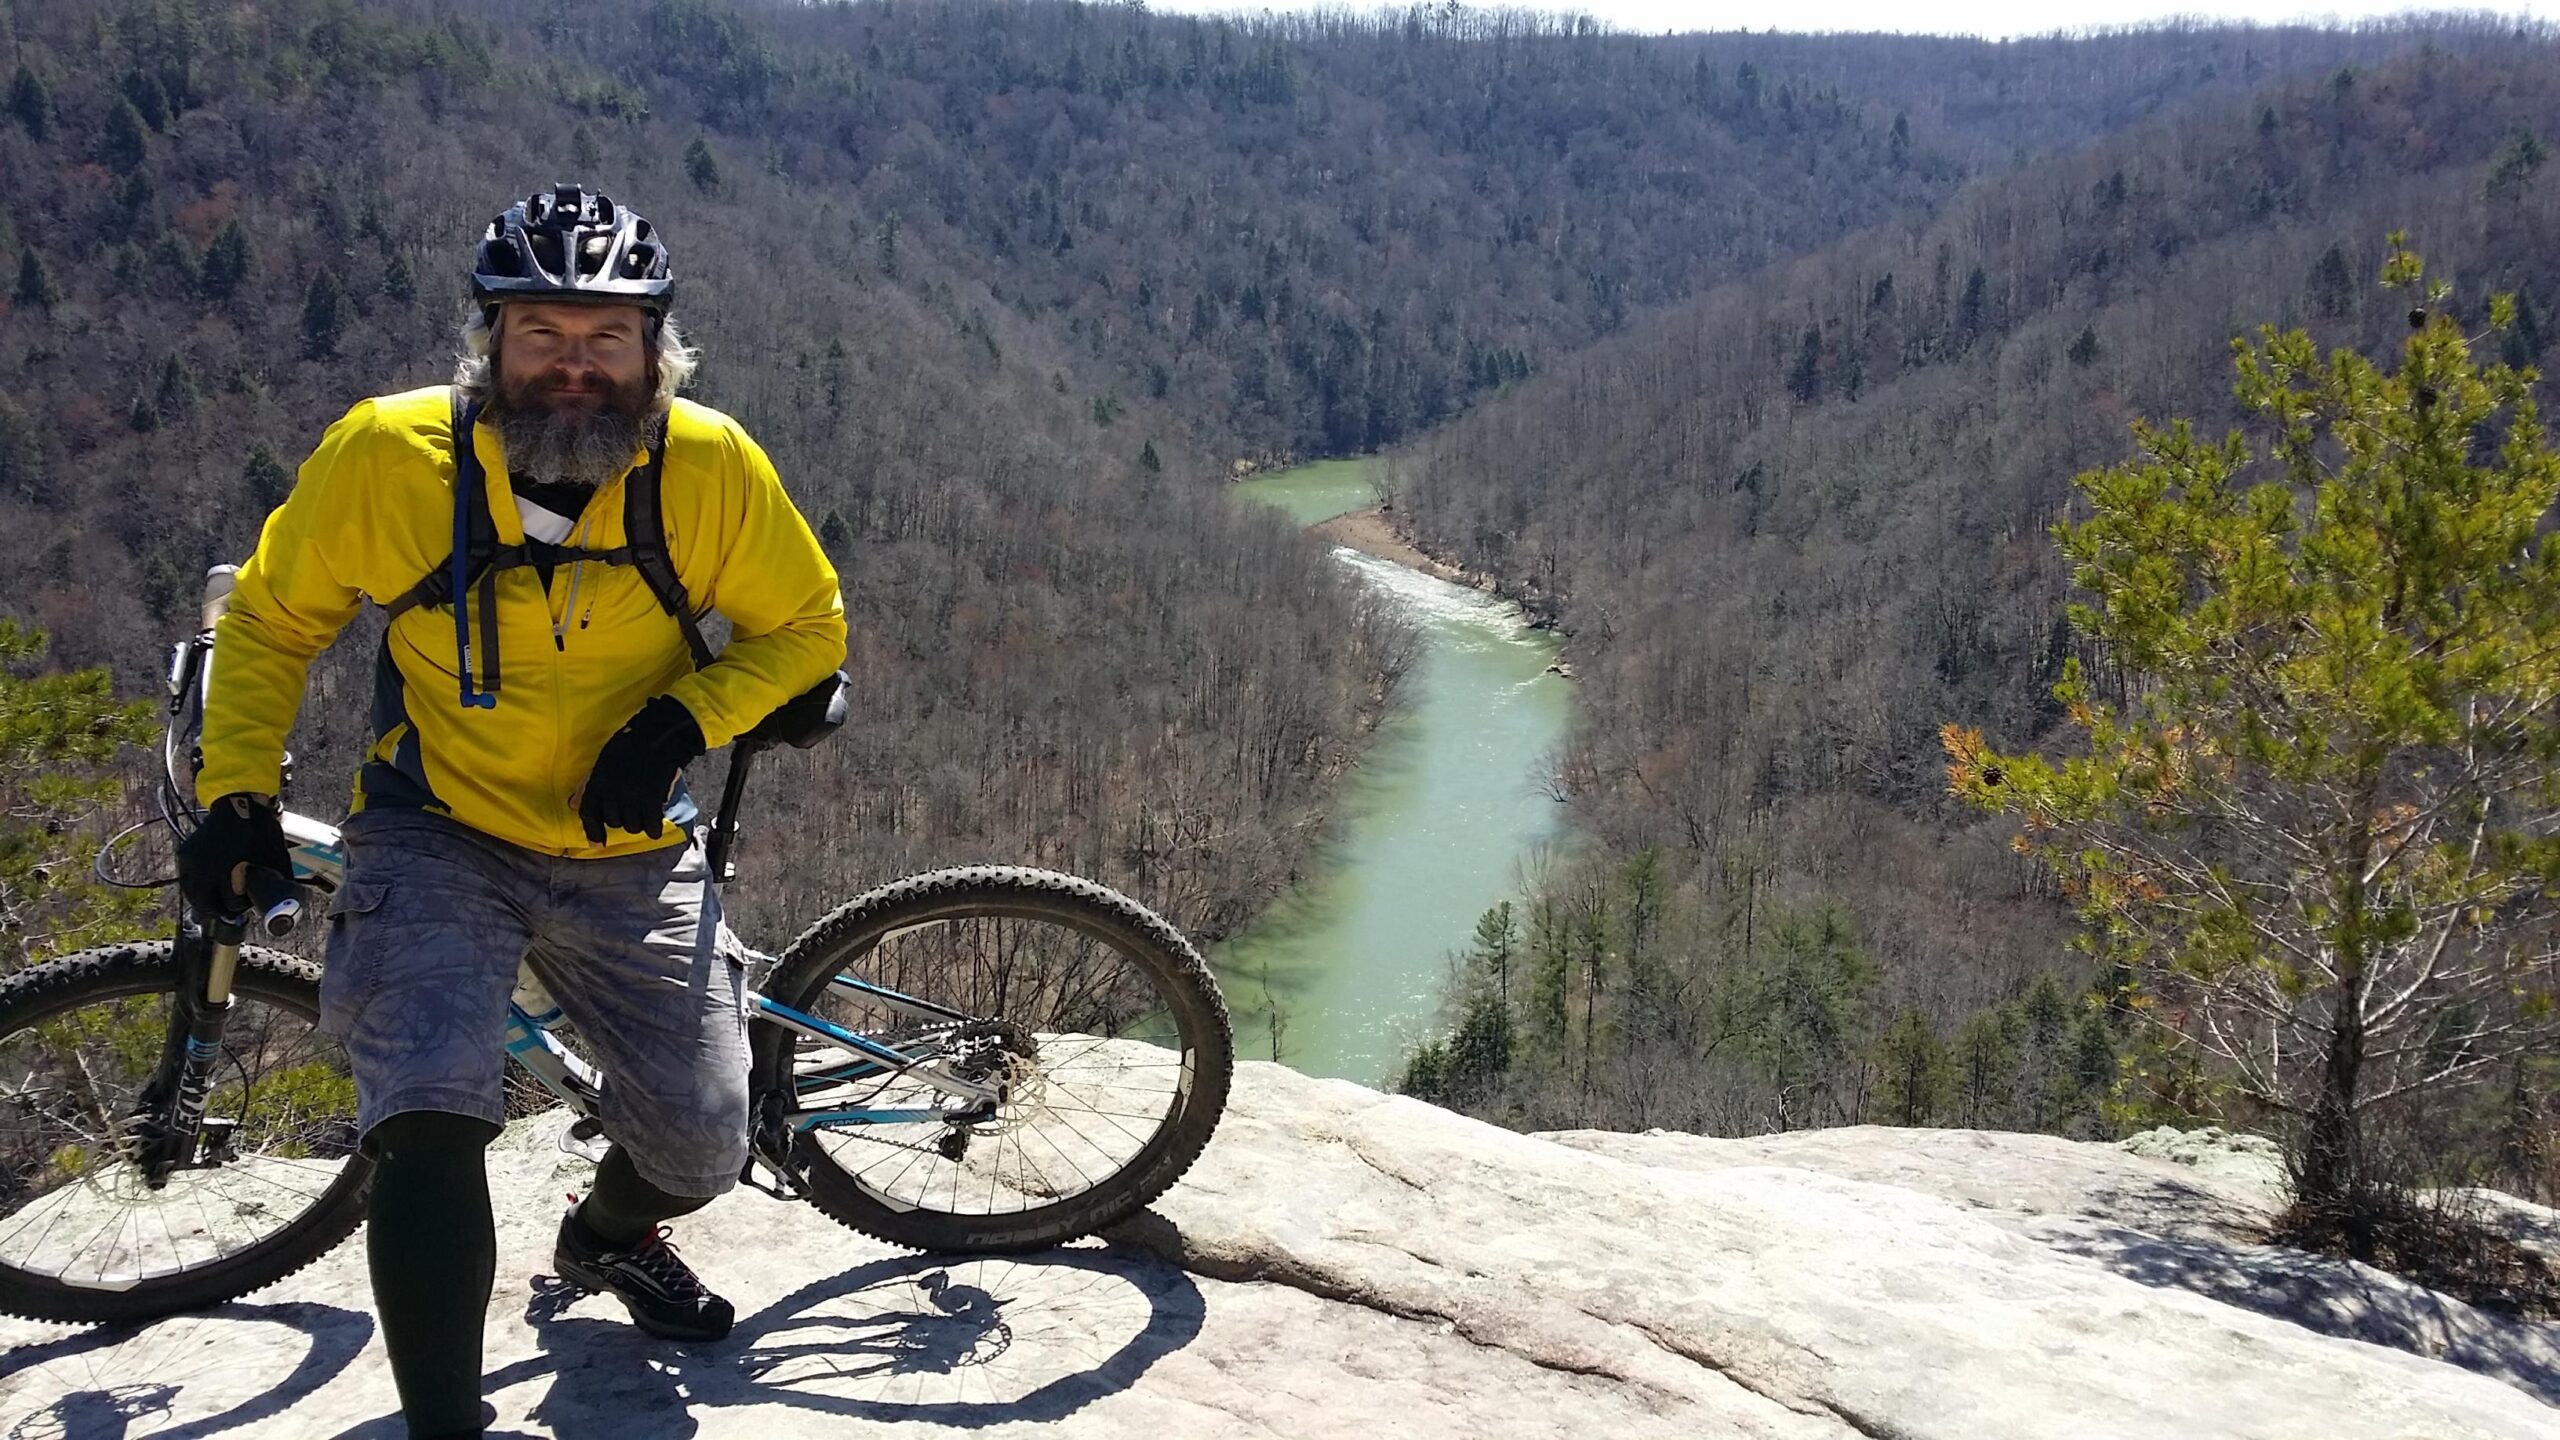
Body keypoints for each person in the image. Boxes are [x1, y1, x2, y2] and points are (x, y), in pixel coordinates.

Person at [175, 184, 847, 1439]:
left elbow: (807, 629)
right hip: (439, 825)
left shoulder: (706, 466)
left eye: (608, 340)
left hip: (627, 845)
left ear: (656, 350)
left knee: (705, 1140)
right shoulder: (388, 457)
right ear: (489, 341)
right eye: (542, 335)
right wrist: (236, 792)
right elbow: (271, 622)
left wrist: (678, 723)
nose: (575, 369)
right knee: (428, 1112)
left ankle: (605, 1237)